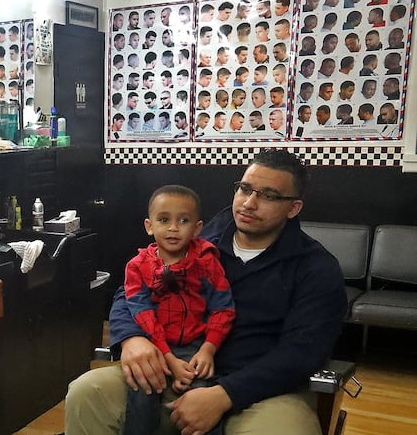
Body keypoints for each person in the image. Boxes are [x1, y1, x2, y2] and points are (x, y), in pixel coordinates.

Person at [65, 149, 346, 435]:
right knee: (86, 394)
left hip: (261, 391)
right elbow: (131, 291)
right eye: (245, 189)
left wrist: (224, 394)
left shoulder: (316, 268)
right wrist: (132, 338)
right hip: (171, 368)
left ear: (293, 208)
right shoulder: (202, 237)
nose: (249, 203)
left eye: (269, 196)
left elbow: (302, 353)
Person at [122, 185, 235, 435]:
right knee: (142, 391)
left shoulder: (206, 261)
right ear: (149, 226)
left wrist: (209, 348)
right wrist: (168, 358)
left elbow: (223, 307)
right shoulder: (137, 267)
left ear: (197, 228)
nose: (173, 228)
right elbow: (141, 313)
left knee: (203, 404)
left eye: (183, 220)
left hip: (196, 347)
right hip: (153, 346)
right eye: (164, 220)